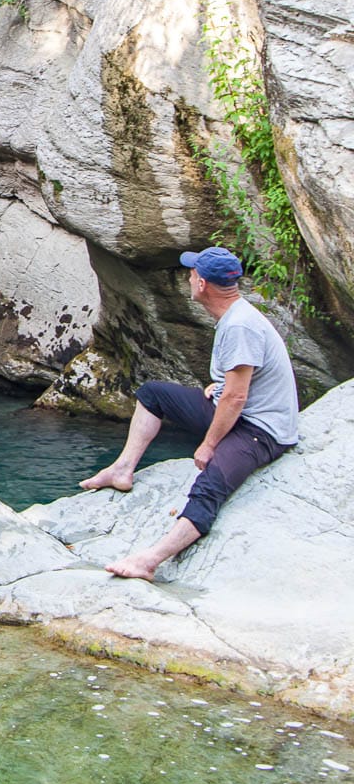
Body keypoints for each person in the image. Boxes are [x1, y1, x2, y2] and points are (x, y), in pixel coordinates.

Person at [78, 246, 299, 580]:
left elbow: (238, 398)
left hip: (261, 429)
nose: (189, 276)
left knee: (209, 484)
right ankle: (122, 470)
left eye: (193, 272)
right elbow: (237, 386)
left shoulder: (240, 326)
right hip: (240, 411)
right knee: (154, 394)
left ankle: (149, 561)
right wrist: (219, 388)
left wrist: (209, 445)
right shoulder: (236, 317)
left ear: (202, 285)